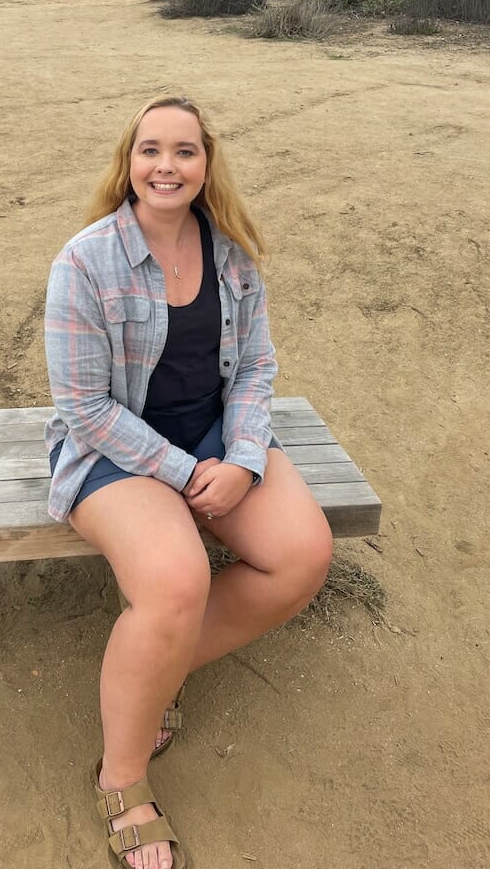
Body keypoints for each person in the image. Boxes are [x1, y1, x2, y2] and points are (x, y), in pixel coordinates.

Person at [44, 95, 333, 869]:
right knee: (177, 582)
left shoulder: (232, 253)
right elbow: (82, 406)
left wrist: (242, 458)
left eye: (183, 151)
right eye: (150, 151)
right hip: (111, 445)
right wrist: (180, 470)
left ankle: (160, 670)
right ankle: (122, 778)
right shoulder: (85, 259)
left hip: (215, 434)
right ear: (127, 163)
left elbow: (257, 367)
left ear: (207, 164)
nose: (166, 166)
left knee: (302, 556)